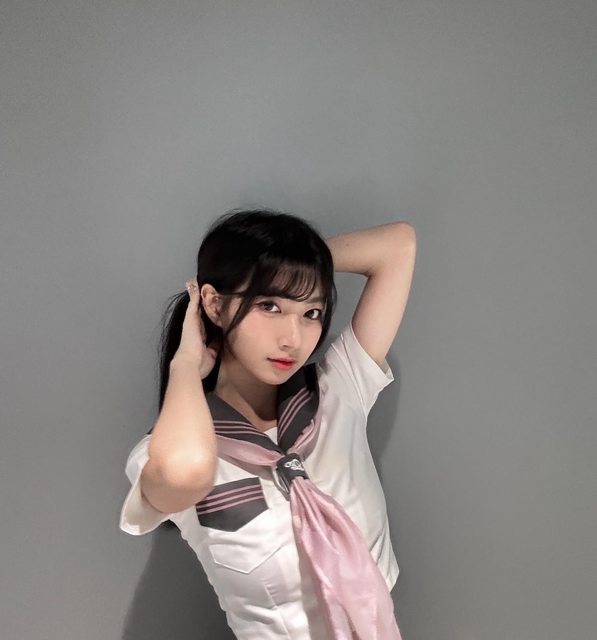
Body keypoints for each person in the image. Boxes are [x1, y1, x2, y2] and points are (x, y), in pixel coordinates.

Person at [119, 208, 416, 640]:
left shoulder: (339, 391)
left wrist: (292, 265)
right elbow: (186, 471)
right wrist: (186, 365)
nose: (292, 339)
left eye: (311, 313)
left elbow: (398, 245)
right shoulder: (166, 451)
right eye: (269, 305)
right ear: (213, 303)